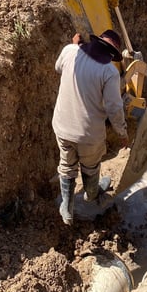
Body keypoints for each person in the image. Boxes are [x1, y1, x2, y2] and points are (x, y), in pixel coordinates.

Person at [52, 29, 129, 225]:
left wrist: (75, 46)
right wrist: (122, 131)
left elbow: (58, 67)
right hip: (89, 134)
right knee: (90, 166)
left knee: (67, 165)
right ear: (111, 54)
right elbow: (114, 107)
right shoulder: (109, 72)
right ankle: (90, 195)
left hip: (62, 126)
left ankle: (67, 209)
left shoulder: (70, 51)